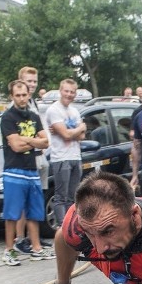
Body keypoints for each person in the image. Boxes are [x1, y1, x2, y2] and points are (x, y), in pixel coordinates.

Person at [0, 79, 53, 265]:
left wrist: (25, 139)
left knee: (34, 212)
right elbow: (15, 146)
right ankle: (8, 251)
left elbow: (46, 142)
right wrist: (33, 141)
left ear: (28, 95)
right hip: (14, 171)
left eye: (24, 95)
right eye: (18, 95)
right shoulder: (7, 117)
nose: (22, 98)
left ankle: (36, 248)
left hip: (32, 170)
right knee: (12, 214)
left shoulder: (34, 116)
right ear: (12, 96)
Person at [12, 66, 52, 257]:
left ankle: (33, 237)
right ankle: (21, 239)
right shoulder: (18, 107)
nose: (32, 85)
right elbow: (19, 140)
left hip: (40, 157)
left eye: (34, 81)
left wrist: (39, 141)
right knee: (23, 204)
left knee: (36, 201)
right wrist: (35, 141)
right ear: (20, 81)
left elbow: (43, 137)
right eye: (28, 81)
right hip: (26, 160)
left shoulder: (33, 103)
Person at [45, 78, 86, 227]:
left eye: (72, 92)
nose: (69, 94)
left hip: (75, 156)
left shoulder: (74, 111)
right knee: (61, 197)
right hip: (61, 158)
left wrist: (74, 131)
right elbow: (67, 135)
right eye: (66, 91)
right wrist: (79, 128)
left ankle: (71, 227)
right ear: (60, 91)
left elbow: (82, 136)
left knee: (73, 196)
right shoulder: (53, 110)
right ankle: (62, 228)